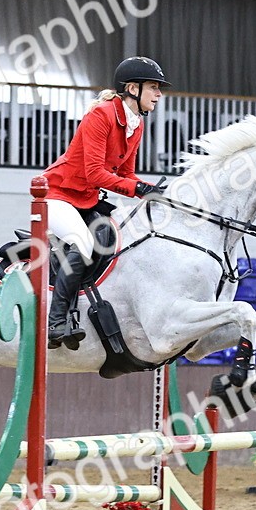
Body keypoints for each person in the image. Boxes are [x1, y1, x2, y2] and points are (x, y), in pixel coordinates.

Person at [42, 56, 170, 350]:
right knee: (84, 244)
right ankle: (57, 319)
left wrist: (148, 192)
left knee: (115, 241)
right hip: (57, 195)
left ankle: (78, 312)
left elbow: (125, 175)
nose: (159, 94)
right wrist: (139, 188)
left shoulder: (136, 125)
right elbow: (95, 173)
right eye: (153, 87)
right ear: (132, 89)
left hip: (87, 201)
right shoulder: (100, 115)